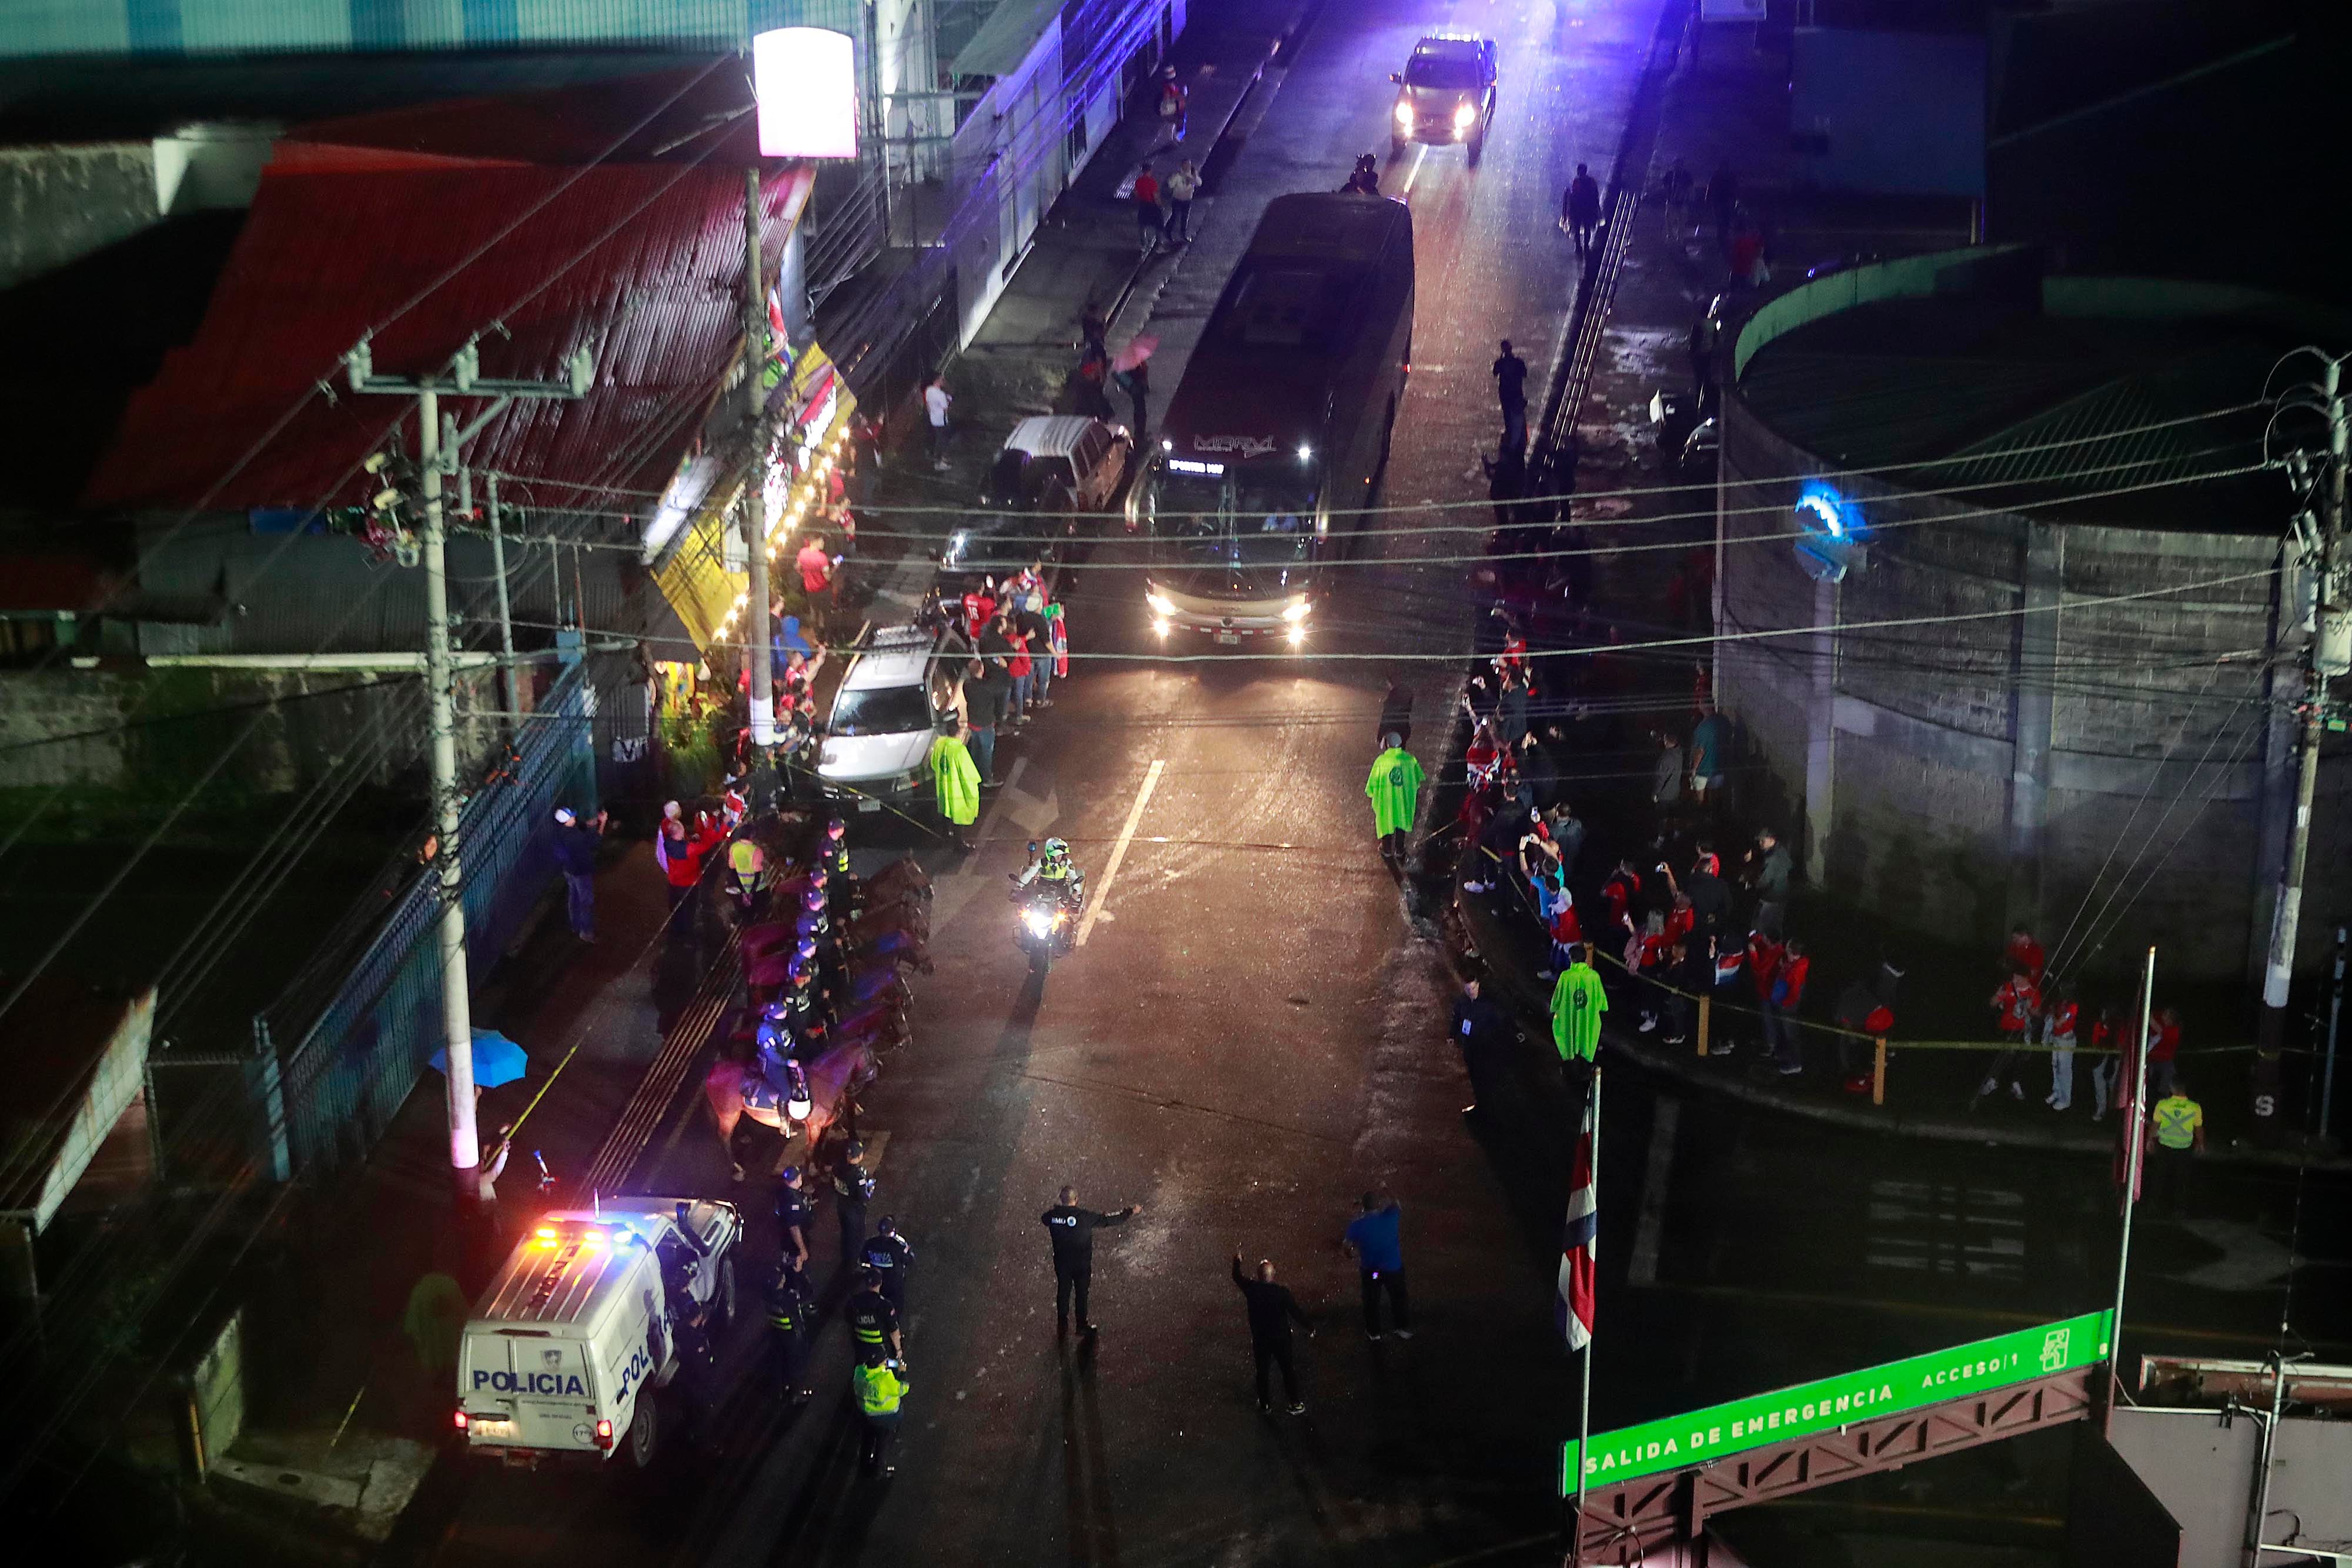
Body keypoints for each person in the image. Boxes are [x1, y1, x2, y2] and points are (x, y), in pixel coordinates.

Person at [1041, 1186, 1142, 1335]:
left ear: (1061, 1199)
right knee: (1081, 1294)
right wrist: (1130, 1212)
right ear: (1076, 1199)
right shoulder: (1085, 1217)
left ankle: (1062, 1321)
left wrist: (1058, 1212)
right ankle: (1081, 1326)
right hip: (1081, 1264)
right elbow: (1108, 1220)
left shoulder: (1052, 1216)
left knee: (1063, 1289)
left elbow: (1045, 1219)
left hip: (1062, 1262)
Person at [1231, 1253, 1315, 1415]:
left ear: (1259, 1275)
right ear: (1273, 1275)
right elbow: (1296, 1312)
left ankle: (1265, 1403)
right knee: (1288, 1370)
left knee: (1262, 1371)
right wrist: (1310, 1327)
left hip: (1261, 1338)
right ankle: (1294, 1403)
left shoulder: (1252, 1289)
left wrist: (1237, 1262)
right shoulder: (1282, 1293)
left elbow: (1236, 1276)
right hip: (1281, 1339)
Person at [1341, 1192, 1412, 1341]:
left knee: (1371, 1300)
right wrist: (1386, 1188)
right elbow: (1396, 1202)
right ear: (1378, 1205)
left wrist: (1351, 1255)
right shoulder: (1391, 1216)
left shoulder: (1357, 1225)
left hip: (1374, 1273)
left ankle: (1374, 1333)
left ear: (1363, 1207)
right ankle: (1403, 1329)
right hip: (1392, 1271)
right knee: (1398, 1297)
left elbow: (1346, 1246)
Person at [1451, 975, 1514, 1115]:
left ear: (1478, 985)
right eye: (1468, 989)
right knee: (1474, 1076)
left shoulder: (1488, 1003)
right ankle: (1482, 1104)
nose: (1471, 991)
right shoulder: (1462, 1002)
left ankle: (1491, 1105)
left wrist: (1513, 1033)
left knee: (1487, 1076)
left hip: (1486, 1045)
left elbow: (1502, 1019)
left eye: (1473, 988)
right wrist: (1452, 1035)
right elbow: (1456, 1018)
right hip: (1470, 1046)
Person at [1365, 733, 1425, 869]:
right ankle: (1400, 851)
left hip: (1386, 802)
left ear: (1387, 745)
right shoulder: (1410, 760)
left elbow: (1372, 786)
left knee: (1387, 823)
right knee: (1401, 824)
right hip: (1402, 800)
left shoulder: (1381, 762)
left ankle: (1386, 850)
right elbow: (1418, 779)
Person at [1982, 962, 2039, 1102]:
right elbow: (1992, 1003)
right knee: (2007, 1053)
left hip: (2023, 1029)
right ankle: (1994, 1080)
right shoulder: (2007, 987)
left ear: (2025, 978)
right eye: (2013, 977)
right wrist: (1998, 996)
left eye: (2018, 978)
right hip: (2007, 1027)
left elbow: (2037, 1014)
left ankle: (2014, 1082)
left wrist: (2030, 1008)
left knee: (2022, 1056)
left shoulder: (2033, 992)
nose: (2015, 981)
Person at [2147, 1078, 2205, 1215]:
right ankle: (2180, 1210)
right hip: (2184, 1148)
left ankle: (2154, 1206)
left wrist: (2149, 1140)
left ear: (2171, 1090)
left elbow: (2155, 1125)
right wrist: (2201, 1144)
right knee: (2182, 1180)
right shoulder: (2194, 1107)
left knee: (2159, 1178)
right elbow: (2198, 1128)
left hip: (2165, 1146)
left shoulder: (2163, 1105)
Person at [1551, 941, 1607, 1082]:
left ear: (1571, 958)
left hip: (1570, 1017)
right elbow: (1602, 1003)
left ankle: (1569, 1073)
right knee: (1586, 1039)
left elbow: (1557, 999)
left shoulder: (1566, 977)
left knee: (1569, 1038)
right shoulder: (1594, 977)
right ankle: (1585, 1073)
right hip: (1587, 1018)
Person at [550, 806, 606, 942]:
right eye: (572, 817)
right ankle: (586, 932)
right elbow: (595, 840)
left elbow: (577, 829)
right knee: (586, 901)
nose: (574, 818)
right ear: (566, 820)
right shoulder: (575, 837)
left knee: (573, 897)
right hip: (581, 871)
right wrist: (603, 822)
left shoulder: (561, 831)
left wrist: (587, 824)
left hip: (569, 869)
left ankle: (575, 925)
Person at [766, 1255, 816, 1405]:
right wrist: (799, 1273)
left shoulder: (768, 1296)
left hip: (777, 1334)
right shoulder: (790, 1297)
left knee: (779, 1362)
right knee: (796, 1365)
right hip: (794, 1337)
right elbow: (808, 1292)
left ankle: (779, 1390)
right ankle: (795, 1394)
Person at [851, 1348, 910, 1476]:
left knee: (867, 1440)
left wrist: (893, 1364)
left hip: (866, 1415)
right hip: (886, 1418)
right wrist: (903, 1372)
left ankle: (864, 1464)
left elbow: (884, 1364)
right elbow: (903, 1389)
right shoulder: (885, 1380)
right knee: (882, 1445)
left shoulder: (859, 1371)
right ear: (880, 1363)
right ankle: (879, 1471)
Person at [1766, 937, 1809, 1075]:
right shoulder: (1796, 964)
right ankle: (1785, 1056)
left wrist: (1784, 1004)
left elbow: (1794, 993)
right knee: (1785, 1032)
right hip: (1785, 1004)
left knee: (1791, 1034)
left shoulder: (1797, 971)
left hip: (1788, 1007)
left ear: (1791, 951)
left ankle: (1795, 1063)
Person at [844, 1262, 904, 1360]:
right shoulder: (885, 1305)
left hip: (861, 1348)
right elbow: (894, 1330)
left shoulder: (853, 1302)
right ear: (880, 1283)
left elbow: (849, 1322)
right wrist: (898, 1350)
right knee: (893, 1369)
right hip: (882, 1350)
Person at [965, 655, 1008, 786]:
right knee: (986, 752)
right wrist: (1004, 668)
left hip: (973, 724)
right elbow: (1004, 685)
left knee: (976, 750)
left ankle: (974, 775)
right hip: (985, 725)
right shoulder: (987, 688)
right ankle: (987, 778)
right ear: (981, 670)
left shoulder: (967, 685)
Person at [1012, 836, 1086, 910]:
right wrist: (1019, 887)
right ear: (1050, 854)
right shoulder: (1041, 862)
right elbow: (1029, 874)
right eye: (1057, 855)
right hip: (1042, 889)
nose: (1059, 857)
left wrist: (1076, 891)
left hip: (1060, 890)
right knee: (1025, 908)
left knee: (1067, 909)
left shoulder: (1067, 863)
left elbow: (1073, 877)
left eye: (1061, 855)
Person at [834, 1141, 877, 1266]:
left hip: (841, 1205)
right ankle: (856, 1262)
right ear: (860, 1156)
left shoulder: (838, 1167)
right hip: (854, 1210)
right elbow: (864, 1197)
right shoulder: (858, 1177)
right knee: (857, 1236)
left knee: (846, 1233)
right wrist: (871, 1188)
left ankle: (845, 1255)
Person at [861, 1216, 915, 1310]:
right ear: (893, 1230)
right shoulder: (898, 1245)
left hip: (876, 1283)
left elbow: (864, 1259)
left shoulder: (870, 1243)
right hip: (895, 1284)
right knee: (896, 1307)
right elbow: (909, 1260)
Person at [1745, 827, 1790, 937]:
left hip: (1771, 898)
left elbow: (1764, 881)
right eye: (1760, 840)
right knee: (1774, 926)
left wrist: (1750, 882)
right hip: (1779, 895)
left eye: (1763, 841)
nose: (1760, 843)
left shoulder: (1774, 859)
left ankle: (1760, 948)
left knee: (1762, 927)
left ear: (1772, 840)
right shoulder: (1779, 850)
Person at [2044, 982, 2080, 1112]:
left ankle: (2066, 1099)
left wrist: (2053, 1014)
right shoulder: (2060, 1003)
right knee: (2055, 1066)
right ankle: (2057, 1092)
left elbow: (2059, 1023)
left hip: (2066, 1040)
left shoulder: (2073, 1007)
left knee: (2065, 1070)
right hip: (2057, 1038)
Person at [1492, 339, 1529, 456]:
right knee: (1517, 418)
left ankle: (1511, 438)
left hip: (1505, 394)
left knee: (1507, 416)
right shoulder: (1518, 362)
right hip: (1516, 393)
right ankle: (1517, 441)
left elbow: (1495, 373)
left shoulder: (1500, 363)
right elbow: (1524, 374)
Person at [774, 1163, 813, 1272]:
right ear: (797, 1180)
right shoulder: (793, 1202)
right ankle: (793, 1283)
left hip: (786, 1235)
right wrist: (802, 1249)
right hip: (793, 1241)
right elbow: (794, 1228)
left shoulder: (784, 1190)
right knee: (796, 1266)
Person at [1688, 704, 1729, 804]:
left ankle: (1701, 816)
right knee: (1715, 799)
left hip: (1702, 770)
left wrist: (1694, 769)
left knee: (1699, 799)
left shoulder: (1702, 727)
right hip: (1719, 767)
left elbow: (1700, 751)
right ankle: (1713, 817)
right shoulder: (1725, 721)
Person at [1562, 162, 1601, 257]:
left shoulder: (1577, 182)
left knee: (1578, 228)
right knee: (1586, 228)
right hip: (1586, 209)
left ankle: (1579, 247)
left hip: (1579, 209)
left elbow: (1573, 196)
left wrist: (1568, 211)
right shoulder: (1591, 182)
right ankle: (1584, 246)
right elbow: (1595, 196)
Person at [796, 532, 834, 611]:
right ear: (814, 542)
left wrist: (804, 576)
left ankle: (814, 622)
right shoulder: (822, 557)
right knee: (823, 612)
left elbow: (797, 567)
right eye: (821, 541)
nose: (823, 543)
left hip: (809, 589)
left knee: (814, 610)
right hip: (822, 589)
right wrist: (835, 568)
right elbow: (828, 578)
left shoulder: (803, 552)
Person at [1164, 159, 1200, 243]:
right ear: (1182, 166)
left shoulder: (1192, 175)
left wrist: (1195, 177)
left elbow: (1199, 184)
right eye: (1186, 165)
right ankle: (1168, 232)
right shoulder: (1178, 176)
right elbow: (1170, 185)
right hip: (1177, 199)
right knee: (1175, 216)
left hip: (1188, 200)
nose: (1188, 167)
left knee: (1185, 218)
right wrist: (1176, 177)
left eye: (1189, 165)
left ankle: (1183, 235)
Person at [924, 373, 953, 469]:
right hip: (942, 420)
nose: (943, 381)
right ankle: (941, 462)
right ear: (937, 381)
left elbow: (928, 405)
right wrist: (948, 400)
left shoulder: (929, 390)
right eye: (941, 379)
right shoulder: (940, 395)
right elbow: (946, 408)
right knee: (943, 440)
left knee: (939, 438)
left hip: (934, 419)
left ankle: (938, 459)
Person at [1133, 162, 1164, 255]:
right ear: (1150, 171)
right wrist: (1160, 206)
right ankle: (1159, 246)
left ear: (1143, 171)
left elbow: (1136, 193)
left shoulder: (1138, 181)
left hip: (1143, 205)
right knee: (1159, 225)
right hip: (1153, 206)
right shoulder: (1152, 182)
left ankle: (1143, 246)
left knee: (1142, 225)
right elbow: (1156, 196)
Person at [1157, 64, 1190, 140]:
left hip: (1172, 108)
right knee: (1180, 118)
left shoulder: (1173, 86)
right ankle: (1178, 136)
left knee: (1180, 117)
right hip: (1168, 109)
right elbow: (1168, 98)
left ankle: (1177, 135)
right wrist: (1182, 96)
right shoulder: (1167, 88)